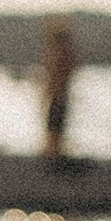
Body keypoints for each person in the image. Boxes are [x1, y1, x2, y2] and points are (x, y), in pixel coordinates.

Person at [38, 15, 79, 157]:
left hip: (58, 98)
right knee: (54, 132)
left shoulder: (61, 54)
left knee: (54, 132)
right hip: (58, 97)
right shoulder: (65, 54)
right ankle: (54, 154)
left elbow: (57, 78)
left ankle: (54, 157)